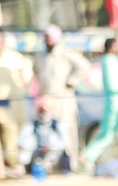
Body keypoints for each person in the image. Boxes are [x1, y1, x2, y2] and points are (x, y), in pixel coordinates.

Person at [36, 25, 90, 167]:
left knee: (67, 131)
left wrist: (71, 82)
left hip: (63, 100)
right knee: (47, 133)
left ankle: (70, 165)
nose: (47, 40)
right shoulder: (41, 56)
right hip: (47, 101)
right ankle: (51, 165)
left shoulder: (66, 54)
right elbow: (36, 71)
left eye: (49, 37)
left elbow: (84, 66)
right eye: (45, 37)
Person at [0, 29, 33, 171]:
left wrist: (25, 83)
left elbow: (27, 74)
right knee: (11, 128)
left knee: (24, 128)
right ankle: (12, 161)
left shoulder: (15, 57)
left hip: (17, 100)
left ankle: (22, 161)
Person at [82, 37, 118, 168]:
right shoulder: (109, 60)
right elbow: (114, 85)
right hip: (114, 100)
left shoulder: (113, 60)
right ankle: (87, 156)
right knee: (107, 133)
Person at [17, 95, 69, 172]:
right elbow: (22, 138)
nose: (42, 113)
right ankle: (21, 168)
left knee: (52, 139)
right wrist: (22, 145)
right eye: (40, 110)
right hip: (37, 153)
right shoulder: (32, 124)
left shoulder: (58, 124)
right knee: (28, 140)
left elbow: (64, 142)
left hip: (54, 155)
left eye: (44, 110)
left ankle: (48, 166)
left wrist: (51, 147)